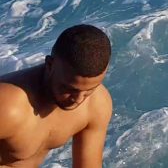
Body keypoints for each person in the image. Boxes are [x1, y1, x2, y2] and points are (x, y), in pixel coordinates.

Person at [0, 25, 113, 168]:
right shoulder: (7, 106)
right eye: (69, 89)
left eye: (89, 90)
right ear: (50, 64)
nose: (78, 99)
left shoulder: (96, 103)